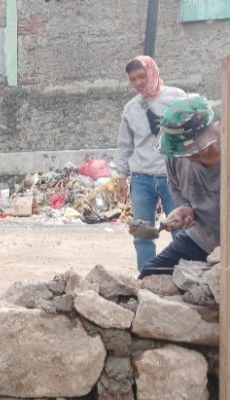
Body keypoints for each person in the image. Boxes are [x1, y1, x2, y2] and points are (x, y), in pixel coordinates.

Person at [114, 55, 186, 271]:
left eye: (141, 77)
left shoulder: (176, 99)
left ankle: (188, 277)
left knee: (181, 231)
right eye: (132, 79)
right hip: (141, 180)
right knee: (142, 233)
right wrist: (121, 177)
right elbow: (125, 145)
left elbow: (192, 135)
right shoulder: (131, 109)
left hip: (172, 178)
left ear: (153, 73)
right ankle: (147, 278)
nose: (137, 83)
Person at [138, 95, 220, 278]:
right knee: (150, 275)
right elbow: (175, 186)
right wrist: (185, 208)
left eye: (194, 148)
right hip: (200, 240)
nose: (187, 155)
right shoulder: (175, 155)